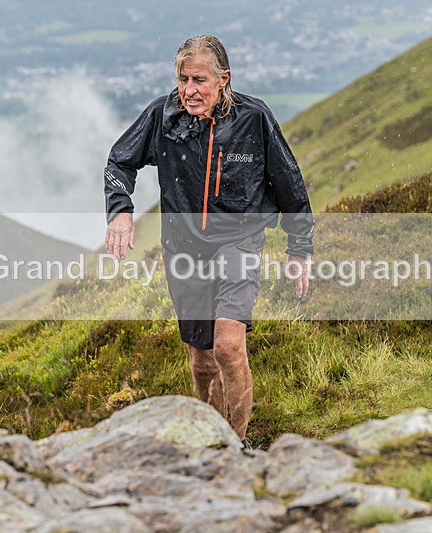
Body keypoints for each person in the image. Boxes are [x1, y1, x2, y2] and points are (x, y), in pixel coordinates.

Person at [103, 35, 314, 447]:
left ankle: (237, 447)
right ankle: (211, 438)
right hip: (183, 249)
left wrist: (299, 249)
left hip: (239, 241)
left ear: (224, 80)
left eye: (199, 79)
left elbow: (290, 184)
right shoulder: (163, 117)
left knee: (229, 346)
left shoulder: (253, 119)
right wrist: (120, 211)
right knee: (201, 362)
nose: (189, 90)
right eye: (183, 79)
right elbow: (118, 161)